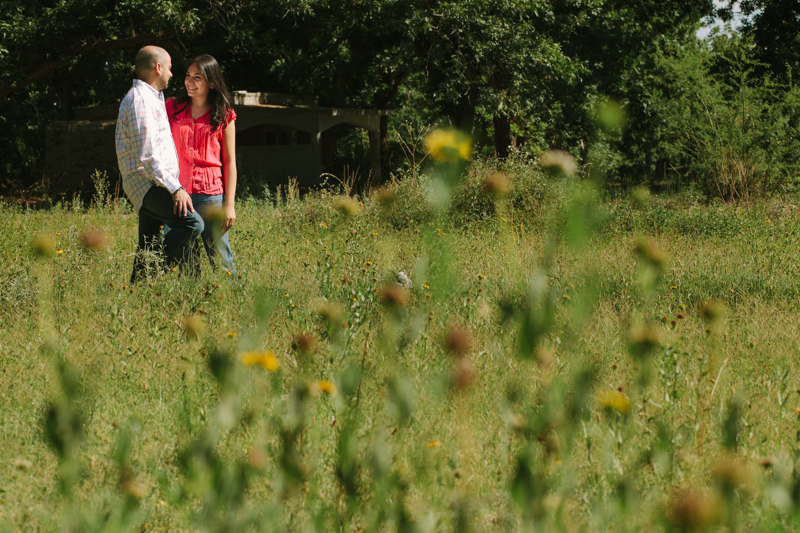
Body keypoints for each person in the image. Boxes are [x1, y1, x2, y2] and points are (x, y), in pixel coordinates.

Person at [115, 45, 204, 282]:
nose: (172, 74)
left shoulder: (150, 98)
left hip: (152, 183)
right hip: (149, 185)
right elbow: (148, 154)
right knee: (192, 224)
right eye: (170, 68)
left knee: (149, 244)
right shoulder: (140, 100)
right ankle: (151, 275)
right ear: (158, 68)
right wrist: (175, 188)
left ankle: (138, 289)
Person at [166, 54, 237, 275]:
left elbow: (230, 161)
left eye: (198, 77)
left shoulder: (224, 114)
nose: (190, 81)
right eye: (188, 76)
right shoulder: (171, 108)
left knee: (220, 256)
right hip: (178, 194)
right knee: (185, 258)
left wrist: (230, 204)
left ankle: (231, 303)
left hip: (210, 195)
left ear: (212, 82)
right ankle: (190, 303)